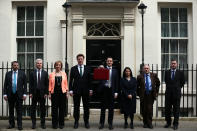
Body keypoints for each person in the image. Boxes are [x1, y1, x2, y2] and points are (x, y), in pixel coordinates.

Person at [69, 54, 92, 129]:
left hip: (86, 90)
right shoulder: (73, 68)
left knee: (86, 107)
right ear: (77, 60)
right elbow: (71, 80)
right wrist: (71, 90)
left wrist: (91, 89)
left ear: (83, 59)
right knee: (76, 107)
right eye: (79, 59)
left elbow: (90, 80)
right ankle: (76, 122)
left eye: (81, 59)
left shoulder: (88, 68)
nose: (80, 60)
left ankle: (86, 122)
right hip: (76, 90)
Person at [3, 61, 27, 130]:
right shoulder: (8, 74)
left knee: (19, 110)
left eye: (17, 65)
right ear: (12, 66)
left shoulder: (22, 74)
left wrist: (25, 94)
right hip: (10, 94)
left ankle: (20, 125)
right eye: (14, 65)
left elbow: (25, 85)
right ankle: (11, 124)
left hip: (19, 94)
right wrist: (5, 94)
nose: (16, 66)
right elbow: (5, 85)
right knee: (11, 110)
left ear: (18, 66)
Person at [137, 64, 160, 129]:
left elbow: (158, 83)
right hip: (143, 94)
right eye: (145, 68)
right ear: (143, 69)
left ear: (149, 69)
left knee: (149, 109)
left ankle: (150, 123)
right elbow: (137, 86)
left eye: (147, 68)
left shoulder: (154, 75)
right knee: (144, 109)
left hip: (151, 94)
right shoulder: (139, 76)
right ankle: (145, 123)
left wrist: (156, 92)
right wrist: (138, 94)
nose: (146, 69)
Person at [164, 59, 185, 130]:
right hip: (168, 94)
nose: (173, 65)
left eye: (174, 63)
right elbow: (166, 81)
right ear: (170, 64)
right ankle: (168, 122)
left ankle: (175, 124)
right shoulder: (167, 72)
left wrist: (177, 88)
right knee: (167, 109)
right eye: (172, 63)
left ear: (177, 64)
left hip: (176, 94)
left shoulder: (180, 72)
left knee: (176, 110)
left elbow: (182, 82)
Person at [99, 57, 119, 130]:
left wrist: (116, 92)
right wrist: (99, 69)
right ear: (106, 62)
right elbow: (97, 78)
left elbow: (116, 82)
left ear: (112, 62)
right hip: (104, 90)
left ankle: (110, 123)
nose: (109, 62)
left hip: (112, 90)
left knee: (111, 108)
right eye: (108, 61)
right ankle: (102, 123)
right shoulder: (102, 69)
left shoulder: (115, 71)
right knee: (103, 108)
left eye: (110, 61)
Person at [29, 59, 49, 129]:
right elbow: (30, 84)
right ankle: (33, 123)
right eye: (38, 63)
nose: (39, 64)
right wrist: (30, 93)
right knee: (33, 109)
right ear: (36, 64)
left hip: (42, 94)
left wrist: (46, 93)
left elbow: (47, 84)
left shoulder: (45, 73)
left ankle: (42, 123)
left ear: (42, 64)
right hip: (34, 93)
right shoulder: (32, 73)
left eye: (40, 63)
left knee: (42, 109)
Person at [49, 61, 68, 129]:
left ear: (61, 66)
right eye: (56, 65)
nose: (58, 66)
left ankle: (61, 124)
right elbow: (50, 84)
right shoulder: (51, 74)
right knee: (54, 109)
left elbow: (66, 83)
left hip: (62, 92)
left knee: (62, 109)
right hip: (54, 93)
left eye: (59, 65)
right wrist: (50, 93)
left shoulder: (64, 73)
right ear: (55, 66)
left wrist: (67, 93)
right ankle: (54, 124)